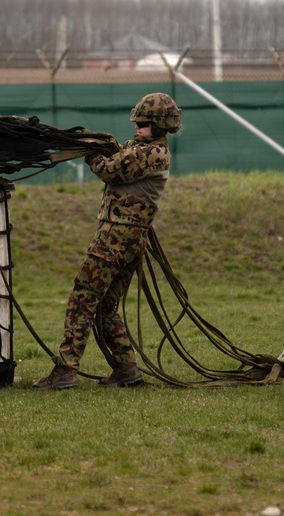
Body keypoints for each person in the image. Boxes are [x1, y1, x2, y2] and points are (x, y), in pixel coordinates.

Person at [33, 93, 182, 390]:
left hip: (115, 238)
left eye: (143, 123)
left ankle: (66, 370)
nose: (137, 127)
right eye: (137, 122)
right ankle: (126, 370)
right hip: (129, 241)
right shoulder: (146, 149)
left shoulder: (152, 154)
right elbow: (121, 152)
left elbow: (109, 169)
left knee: (82, 299)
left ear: (159, 126)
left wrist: (91, 155)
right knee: (106, 306)